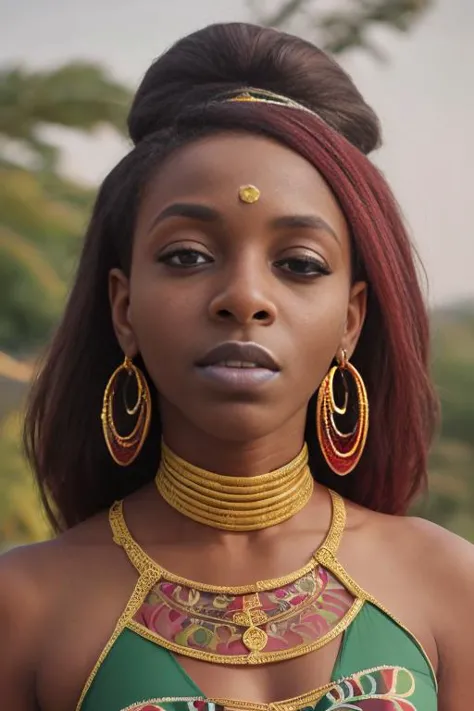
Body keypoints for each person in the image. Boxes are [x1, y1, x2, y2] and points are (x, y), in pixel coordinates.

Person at [0, 21, 473, 711]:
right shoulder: (25, 607)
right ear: (124, 307)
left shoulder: (450, 585)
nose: (245, 297)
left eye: (299, 264)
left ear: (352, 318)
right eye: (187, 255)